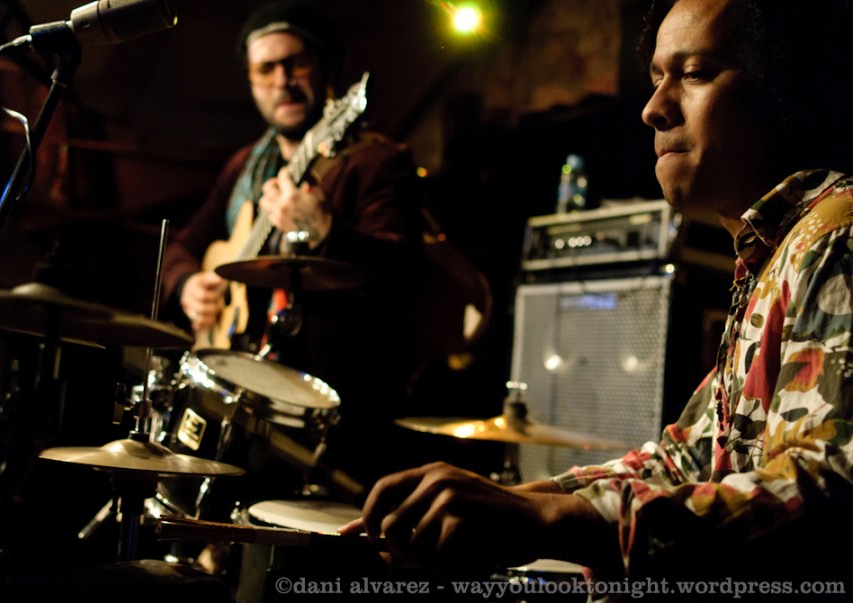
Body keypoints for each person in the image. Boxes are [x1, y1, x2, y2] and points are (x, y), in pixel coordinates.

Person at [340, 0, 853, 591]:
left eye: (694, 73)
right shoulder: (775, 255)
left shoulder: (837, 237)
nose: (653, 108)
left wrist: (552, 520)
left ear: (779, 85)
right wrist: (522, 500)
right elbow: (686, 461)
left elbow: (833, 485)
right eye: (656, 78)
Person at [160, 0, 423, 499]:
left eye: (295, 63)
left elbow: (406, 274)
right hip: (245, 394)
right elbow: (183, 247)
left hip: (333, 414)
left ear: (327, 68)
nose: (282, 81)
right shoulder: (243, 168)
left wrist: (326, 231)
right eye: (265, 69)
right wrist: (188, 283)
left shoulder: (375, 163)